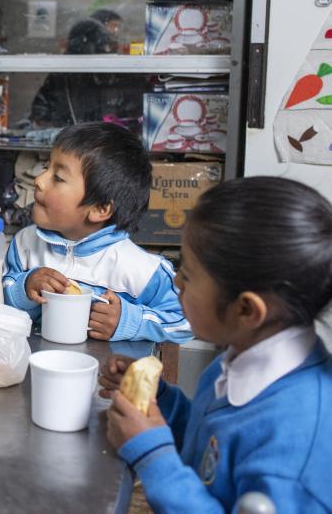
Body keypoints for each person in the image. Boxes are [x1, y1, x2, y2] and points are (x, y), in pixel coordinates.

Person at [102, 177, 332, 512]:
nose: (176, 281)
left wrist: (152, 455)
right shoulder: (238, 359)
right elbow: (210, 450)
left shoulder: (294, 452)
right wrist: (162, 402)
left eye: (189, 275)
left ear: (246, 309)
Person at [2, 123, 191, 343]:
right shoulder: (26, 244)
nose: (39, 180)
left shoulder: (141, 270)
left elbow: (187, 321)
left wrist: (130, 321)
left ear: (100, 209)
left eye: (59, 178)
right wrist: (24, 288)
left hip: (106, 370)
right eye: (46, 167)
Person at [29, 9, 148, 128]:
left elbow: (133, 112)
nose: (115, 34)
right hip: (71, 139)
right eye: (113, 27)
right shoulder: (62, 77)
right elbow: (40, 112)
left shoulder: (115, 74)